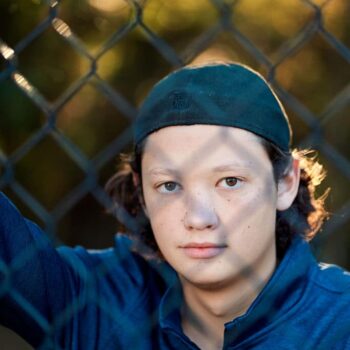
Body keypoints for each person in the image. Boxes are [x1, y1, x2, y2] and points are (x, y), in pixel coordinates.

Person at [0, 62, 349, 350]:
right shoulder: (92, 300)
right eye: (169, 185)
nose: (198, 218)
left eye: (230, 181)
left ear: (285, 182)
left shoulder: (340, 321)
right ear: (141, 193)